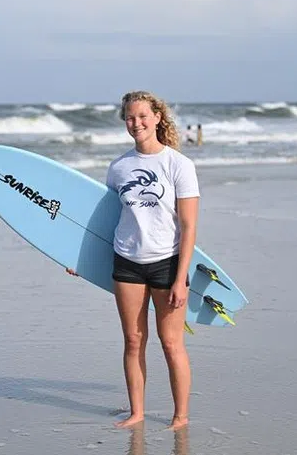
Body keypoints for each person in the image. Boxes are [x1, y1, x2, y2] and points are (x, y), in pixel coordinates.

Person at [68, 90, 199, 430]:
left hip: (166, 262)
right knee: (133, 340)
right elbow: (103, 221)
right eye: (129, 117)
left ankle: (180, 416)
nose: (136, 123)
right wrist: (77, 258)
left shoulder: (178, 165)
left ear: (157, 118)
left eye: (142, 116)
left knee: (171, 343)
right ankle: (137, 412)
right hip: (126, 260)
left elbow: (188, 227)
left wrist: (180, 277)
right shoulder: (119, 167)